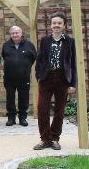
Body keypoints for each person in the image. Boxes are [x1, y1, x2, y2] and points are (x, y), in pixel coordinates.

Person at [33, 12, 77, 150]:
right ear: (50, 25)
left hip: (63, 78)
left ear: (64, 25)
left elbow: (73, 64)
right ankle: (45, 139)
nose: (56, 25)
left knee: (59, 110)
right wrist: (39, 76)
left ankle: (55, 138)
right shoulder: (45, 41)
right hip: (46, 78)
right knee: (42, 108)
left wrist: (72, 83)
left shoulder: (70, 42)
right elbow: (39, 61)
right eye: (54, 23)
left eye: (59, 23)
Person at [2, 26, 36, 127]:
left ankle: (22, 118)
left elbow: (33, 57)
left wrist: (25, 67)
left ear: (21, 33)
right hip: (9, 78)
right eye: (13, 33)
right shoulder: (6, 45)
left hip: (24, 77)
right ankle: (11, 118)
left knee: (24, 98)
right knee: (10, 98)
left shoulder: (29, 45)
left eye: (17, 33)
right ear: (10, 34)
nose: (15, 35)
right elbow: (4, 56)